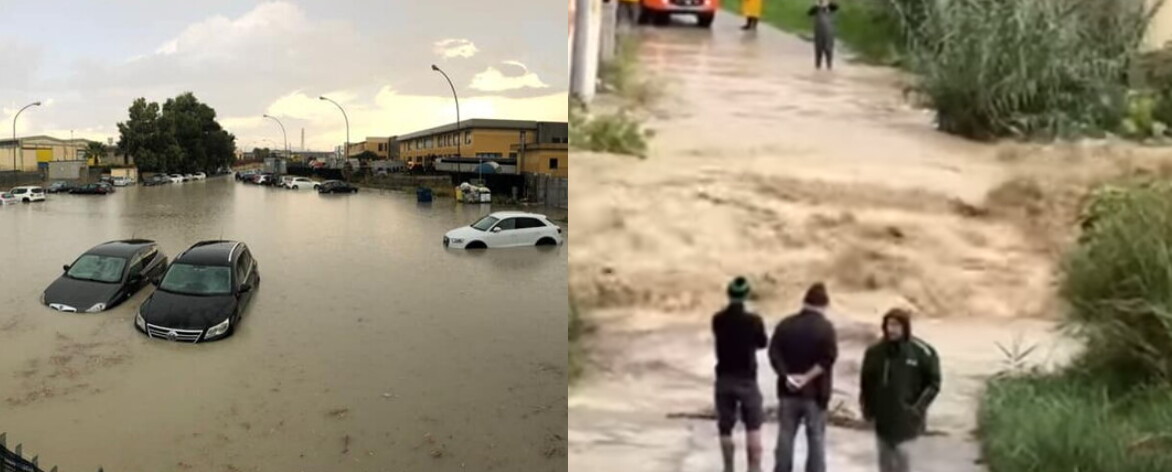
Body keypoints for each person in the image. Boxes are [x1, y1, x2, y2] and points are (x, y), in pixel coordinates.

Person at [859, 308, 942, 472]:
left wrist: (917, 409)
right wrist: (867, 410)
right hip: (882, 422)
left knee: (903, 466)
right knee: (885, 466)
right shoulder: (874, 352)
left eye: (896, 325)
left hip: (908, 423)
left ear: (905, 327)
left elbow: (934, 383)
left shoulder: (922, 352)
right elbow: (866, 383)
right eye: (889, 325)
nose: (892, 329)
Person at [768, 283, 838, 472]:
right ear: (824, 305)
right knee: (815, 438)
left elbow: (774, 353)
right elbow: (828, 359)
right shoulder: (826, 328)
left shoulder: (785, 324)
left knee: (785, 436)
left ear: (804, 302)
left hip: (787, 391)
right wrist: (806, 378)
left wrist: (786, 376)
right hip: (815, 394)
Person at [712, 276, 769, 472]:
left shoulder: (718, 319)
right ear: (746, 296)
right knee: (753, 425)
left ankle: (728, 468)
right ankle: (754, 468)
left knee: (725, 426)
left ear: (728, 294)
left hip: (724, 377)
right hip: (747, 379)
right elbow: (763, 343)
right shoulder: (754, 321)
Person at [806, 0, 839, 70]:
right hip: (818, 34)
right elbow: (809, 13)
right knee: (818, 52)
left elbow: (836, 7)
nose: (823, 2)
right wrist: (816, 6)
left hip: (829, 34)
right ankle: (817, 69)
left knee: (828, 51)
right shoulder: (816, 9)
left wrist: (828, 4)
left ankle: (829, 68)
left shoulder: (830, 7)